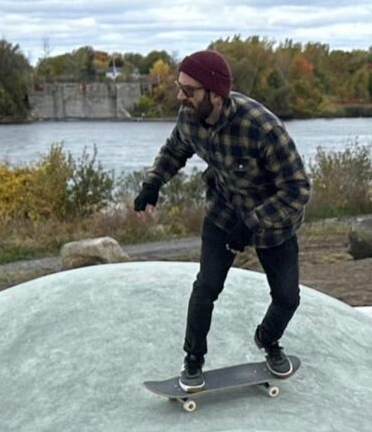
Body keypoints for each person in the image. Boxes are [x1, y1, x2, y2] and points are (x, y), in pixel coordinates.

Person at [134, 50, 312, 391]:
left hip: (274, 221)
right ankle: (193, 360)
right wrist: (153, 183)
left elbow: (298, 189)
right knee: (206, 288)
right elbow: (175, 150)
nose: (180, 96)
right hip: (223, 211)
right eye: (179, 87)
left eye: (189, 90)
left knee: (287, 297)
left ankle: (268, 339)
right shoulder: (189, 117)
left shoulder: (261, 127)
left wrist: (254, 222)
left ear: (216, 94)